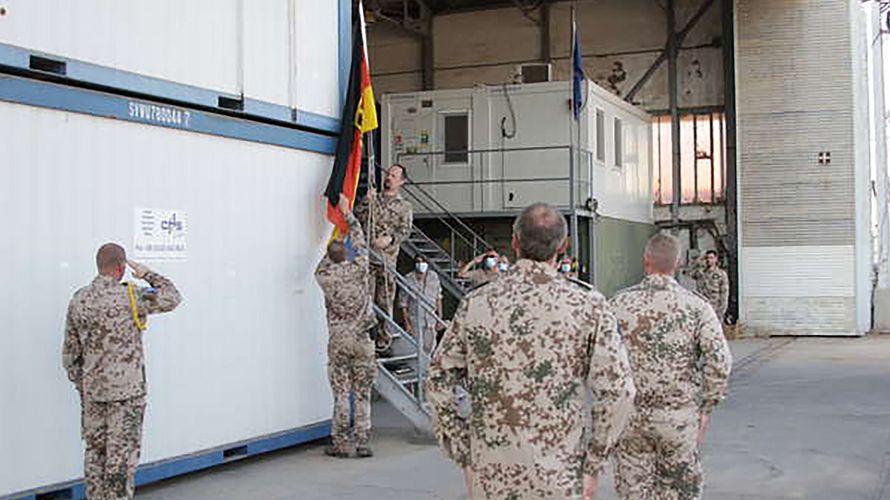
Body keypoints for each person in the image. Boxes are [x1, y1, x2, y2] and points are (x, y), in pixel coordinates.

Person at [426, 202, 636, 500]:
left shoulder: (477, 303)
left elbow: (438, 380)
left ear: (514, 242)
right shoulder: (588, 305)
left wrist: (465, 452)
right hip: (560, 474)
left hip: (492, 474)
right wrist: (594, 464)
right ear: (563, 246)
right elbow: (618, 392)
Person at [609, 233, 732, 500]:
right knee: (679, 491)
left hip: (631, 420)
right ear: (677, 264)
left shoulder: (618, 303)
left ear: (646, 261)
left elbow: (601, 361)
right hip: (678, 420)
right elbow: (719, 360)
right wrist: (706, 408)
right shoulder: (697, 306)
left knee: (633, 491)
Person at [62, 244, 182, 500]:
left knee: (95, 455)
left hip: (93, 394)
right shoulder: (131, 297)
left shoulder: (79, 299)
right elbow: (172, 296)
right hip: (127, 396)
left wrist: (84, 386)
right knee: (120, 460)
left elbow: (70, 355)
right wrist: (147, 273)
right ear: (120, 268)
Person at [315, 194, 377, 459]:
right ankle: (363, 442)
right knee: (362, 393)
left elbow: (324, 263)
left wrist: (335, 249)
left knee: (342, 393)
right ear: (349, 255)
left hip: (339, 340)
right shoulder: (360, 266)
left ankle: (341, 443)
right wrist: (346, 213)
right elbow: (359, 235)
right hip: (363, 339)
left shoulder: (324, 275)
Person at [354, 164, 413, 354]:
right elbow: (356, 216)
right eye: (388, 174)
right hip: (367, 258)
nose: (389, 178)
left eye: (394, 176)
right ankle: (365, 339)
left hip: (387, 261)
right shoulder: (374, 199)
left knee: (384, 301)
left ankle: (383, 341)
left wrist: (390, 239)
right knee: (366, 299)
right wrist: (366, 200)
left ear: (402, 181)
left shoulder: (404, 206)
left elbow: (405, 231)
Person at [400, 254, 444, 355]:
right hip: (415, 319)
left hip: (431, 318)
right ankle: (420, 368)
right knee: (417, 347)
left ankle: (427, 368)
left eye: (423, 262)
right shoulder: (408, 278)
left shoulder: (433, 276)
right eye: (418, 262)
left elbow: (438, 298)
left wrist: (440, 318)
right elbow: (403, 303)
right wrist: (406, 323)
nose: (421, 264)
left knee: (431, 346)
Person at [692, 249, 729, 322]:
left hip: (715, 307)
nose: (709, 260)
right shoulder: (701, 273)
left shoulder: (721, 274)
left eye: (711, 258)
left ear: (716, 259)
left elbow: (724, 293)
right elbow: (688, 273)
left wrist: (721, 310)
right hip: (702, 307)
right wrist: (699, 260)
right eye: (707, 258)